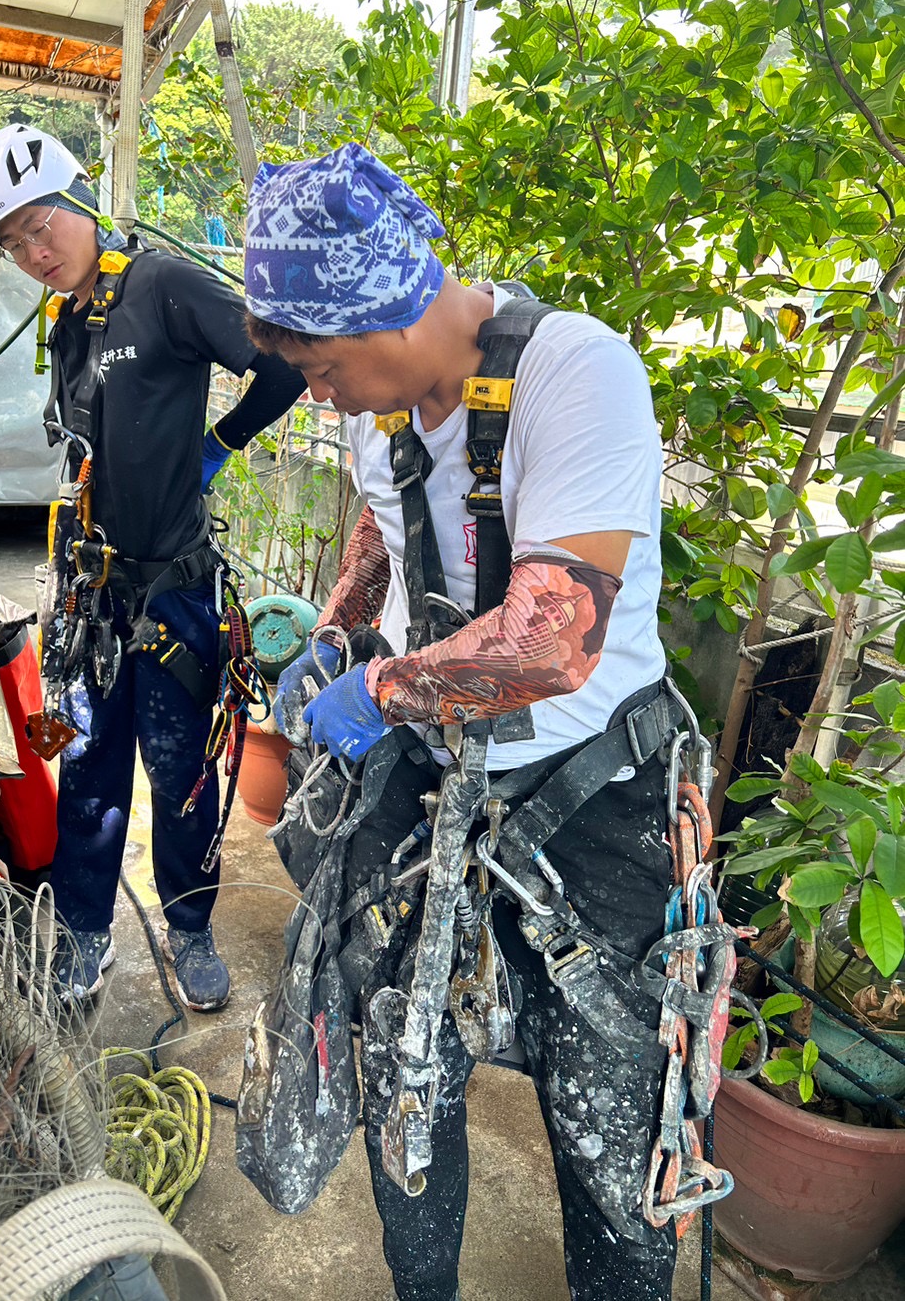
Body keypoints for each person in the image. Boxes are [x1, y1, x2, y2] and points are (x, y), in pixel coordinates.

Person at [243, 143, 683, 1300]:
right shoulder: (374, 409)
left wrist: (380, 690)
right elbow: (383, 534)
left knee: (609, 1123)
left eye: (323, 366)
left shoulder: (574, 373)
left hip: (589, 791)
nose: (318, 391)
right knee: (404, 1068)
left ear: (383, 311)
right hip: (433, 773)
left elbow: (549, 643)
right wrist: (335, 638)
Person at [0, 124, 304, 1010]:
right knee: (88, 767)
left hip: (173, 592)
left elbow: (281, 366)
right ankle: (83, 930)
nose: (36, 251)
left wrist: (219, 442)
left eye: (44, 225)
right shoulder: (72, 316)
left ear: (80, 198)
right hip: (91, 594)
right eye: (15, 242)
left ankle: (189, 931)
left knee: (181, 772)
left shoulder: (162, 283)